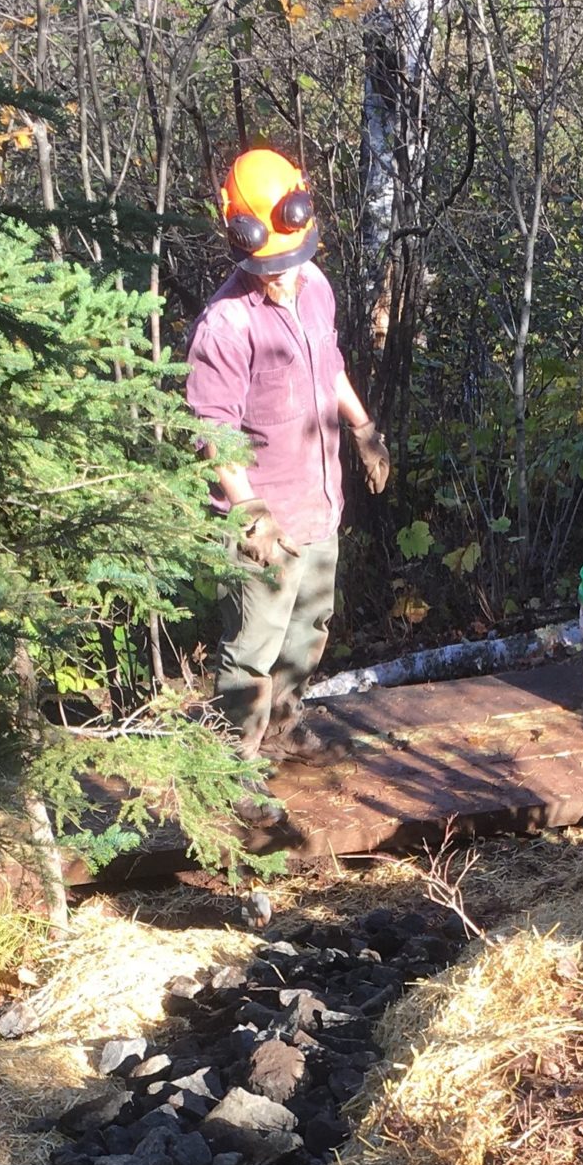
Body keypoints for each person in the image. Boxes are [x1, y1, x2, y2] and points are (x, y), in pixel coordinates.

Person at [183, 148, 392, 758]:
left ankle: (281, 731)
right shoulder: (226, 326)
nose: (284, 274)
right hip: (263, 525)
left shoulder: (317, 287)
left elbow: (329, 367)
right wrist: (250, 510)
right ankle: (234, 774)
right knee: (252, 651)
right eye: (271, 266)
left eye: (293, 261)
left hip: (319, 505)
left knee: (307, 632)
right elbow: (211, 430)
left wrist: (363, 427)